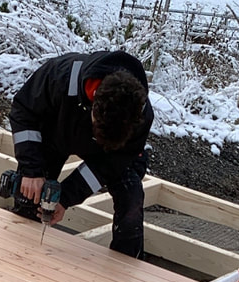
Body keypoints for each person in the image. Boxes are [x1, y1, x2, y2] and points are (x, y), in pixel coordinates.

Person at [9, 50, 154, 259]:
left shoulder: (140, 116)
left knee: (131, 204)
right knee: (30, 198)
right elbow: (23, 111)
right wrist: (31, 170)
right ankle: (19, 256)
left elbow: (107, 166)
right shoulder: (61, 76)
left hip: (112, 154)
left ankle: (124, 269)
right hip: (57, 133)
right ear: (94, 106)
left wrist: (65, 198)